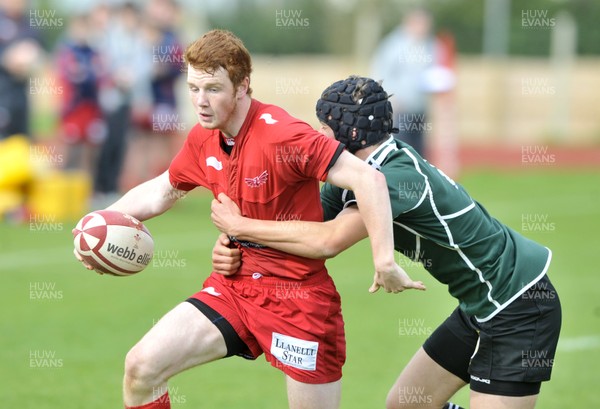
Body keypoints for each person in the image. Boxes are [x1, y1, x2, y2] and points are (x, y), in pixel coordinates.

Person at [74, 31, 422, 409]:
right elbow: (161, 191)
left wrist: (384, 261)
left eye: (212, 89)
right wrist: (99, 225)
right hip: (235, 288)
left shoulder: (283, 135)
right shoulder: (203, 138)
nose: (200, 102)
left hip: (298, 300)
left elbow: (368, 178)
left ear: (243, 86)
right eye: (193, 88)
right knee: (141, 367)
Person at [210, 76, 562, 409]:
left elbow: (326, 241)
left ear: (349, 132)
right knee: (407, 403)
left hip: (519, 305)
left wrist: (242, 225)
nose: (318, 134)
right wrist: (236, 244)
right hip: (479, 305)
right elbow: (299, 226)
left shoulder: (392, 178)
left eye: (324, 127)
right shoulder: (355, 175)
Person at [370, 8, 436, 156]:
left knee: (418, 152)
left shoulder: (428, 45)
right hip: (399, 109)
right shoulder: (393, 46)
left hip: (419, 108)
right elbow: (380, 73)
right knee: (401, 149)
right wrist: (390, 99)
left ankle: (417, 178)